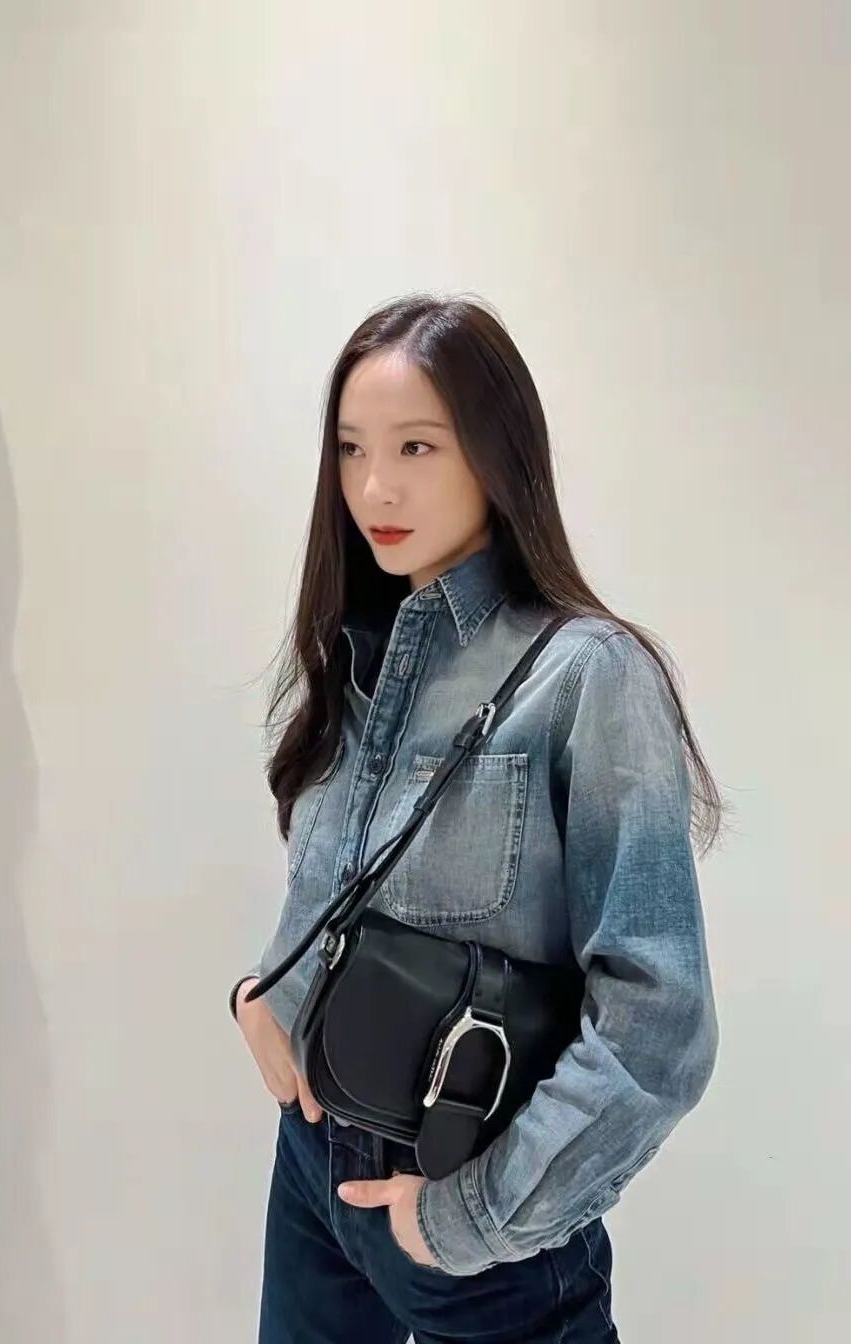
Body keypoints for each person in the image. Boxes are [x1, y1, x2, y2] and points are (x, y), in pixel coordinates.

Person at [229, 293, 721, 1343]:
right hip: (313, 1172)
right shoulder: (353, 654)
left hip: (476, 1223)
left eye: (416, 446)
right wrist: (263, 993)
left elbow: (659, 1022)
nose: (375, 486)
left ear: (496, 454)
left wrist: (469, 1220)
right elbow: (341, 891)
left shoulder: (587, 675)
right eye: (352, 449)